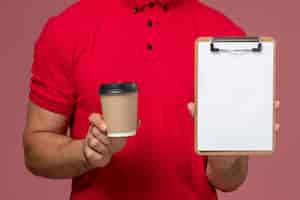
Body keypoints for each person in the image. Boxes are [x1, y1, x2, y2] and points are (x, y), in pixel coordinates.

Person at [23, 0, 280, 199]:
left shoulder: (226, 38)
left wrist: (226, 160)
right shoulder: (67, 28)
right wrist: (84, 153)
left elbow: (230, 180)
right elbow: (36, 149)